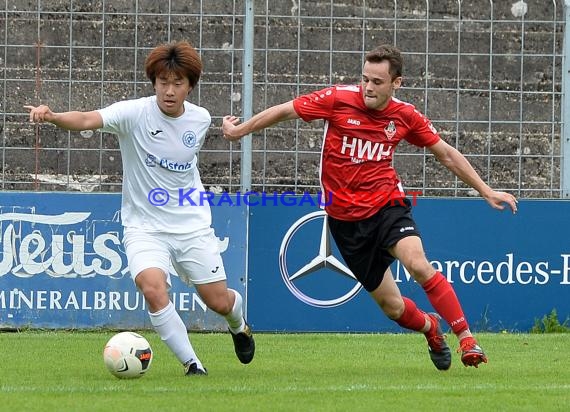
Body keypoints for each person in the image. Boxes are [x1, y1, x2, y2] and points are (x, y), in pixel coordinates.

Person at [222, 44, 518, 370]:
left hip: (387, 207)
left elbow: (445, 153)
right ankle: (430, 328)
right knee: (393, 308)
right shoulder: (337, 99)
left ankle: (466, 338)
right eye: (365, 79)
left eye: (377, 81)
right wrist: (240, 130)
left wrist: (486, 190)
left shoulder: (405, 116)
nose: (368, 87)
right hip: (345, 223)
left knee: (418, 264)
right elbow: (285, 110)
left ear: (397, 83)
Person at [25, 40, 255, 375]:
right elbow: (88, 119)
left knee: (218, 302)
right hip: (144, 226)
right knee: (151, 287)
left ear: (190, 86)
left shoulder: (200, 120)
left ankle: (239, 325)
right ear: (154, 83)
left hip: (191, 224)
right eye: (163, 83)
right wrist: (54, 117)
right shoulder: (133, 114)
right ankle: (193, 365)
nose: (169, 91)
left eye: (178, 84)